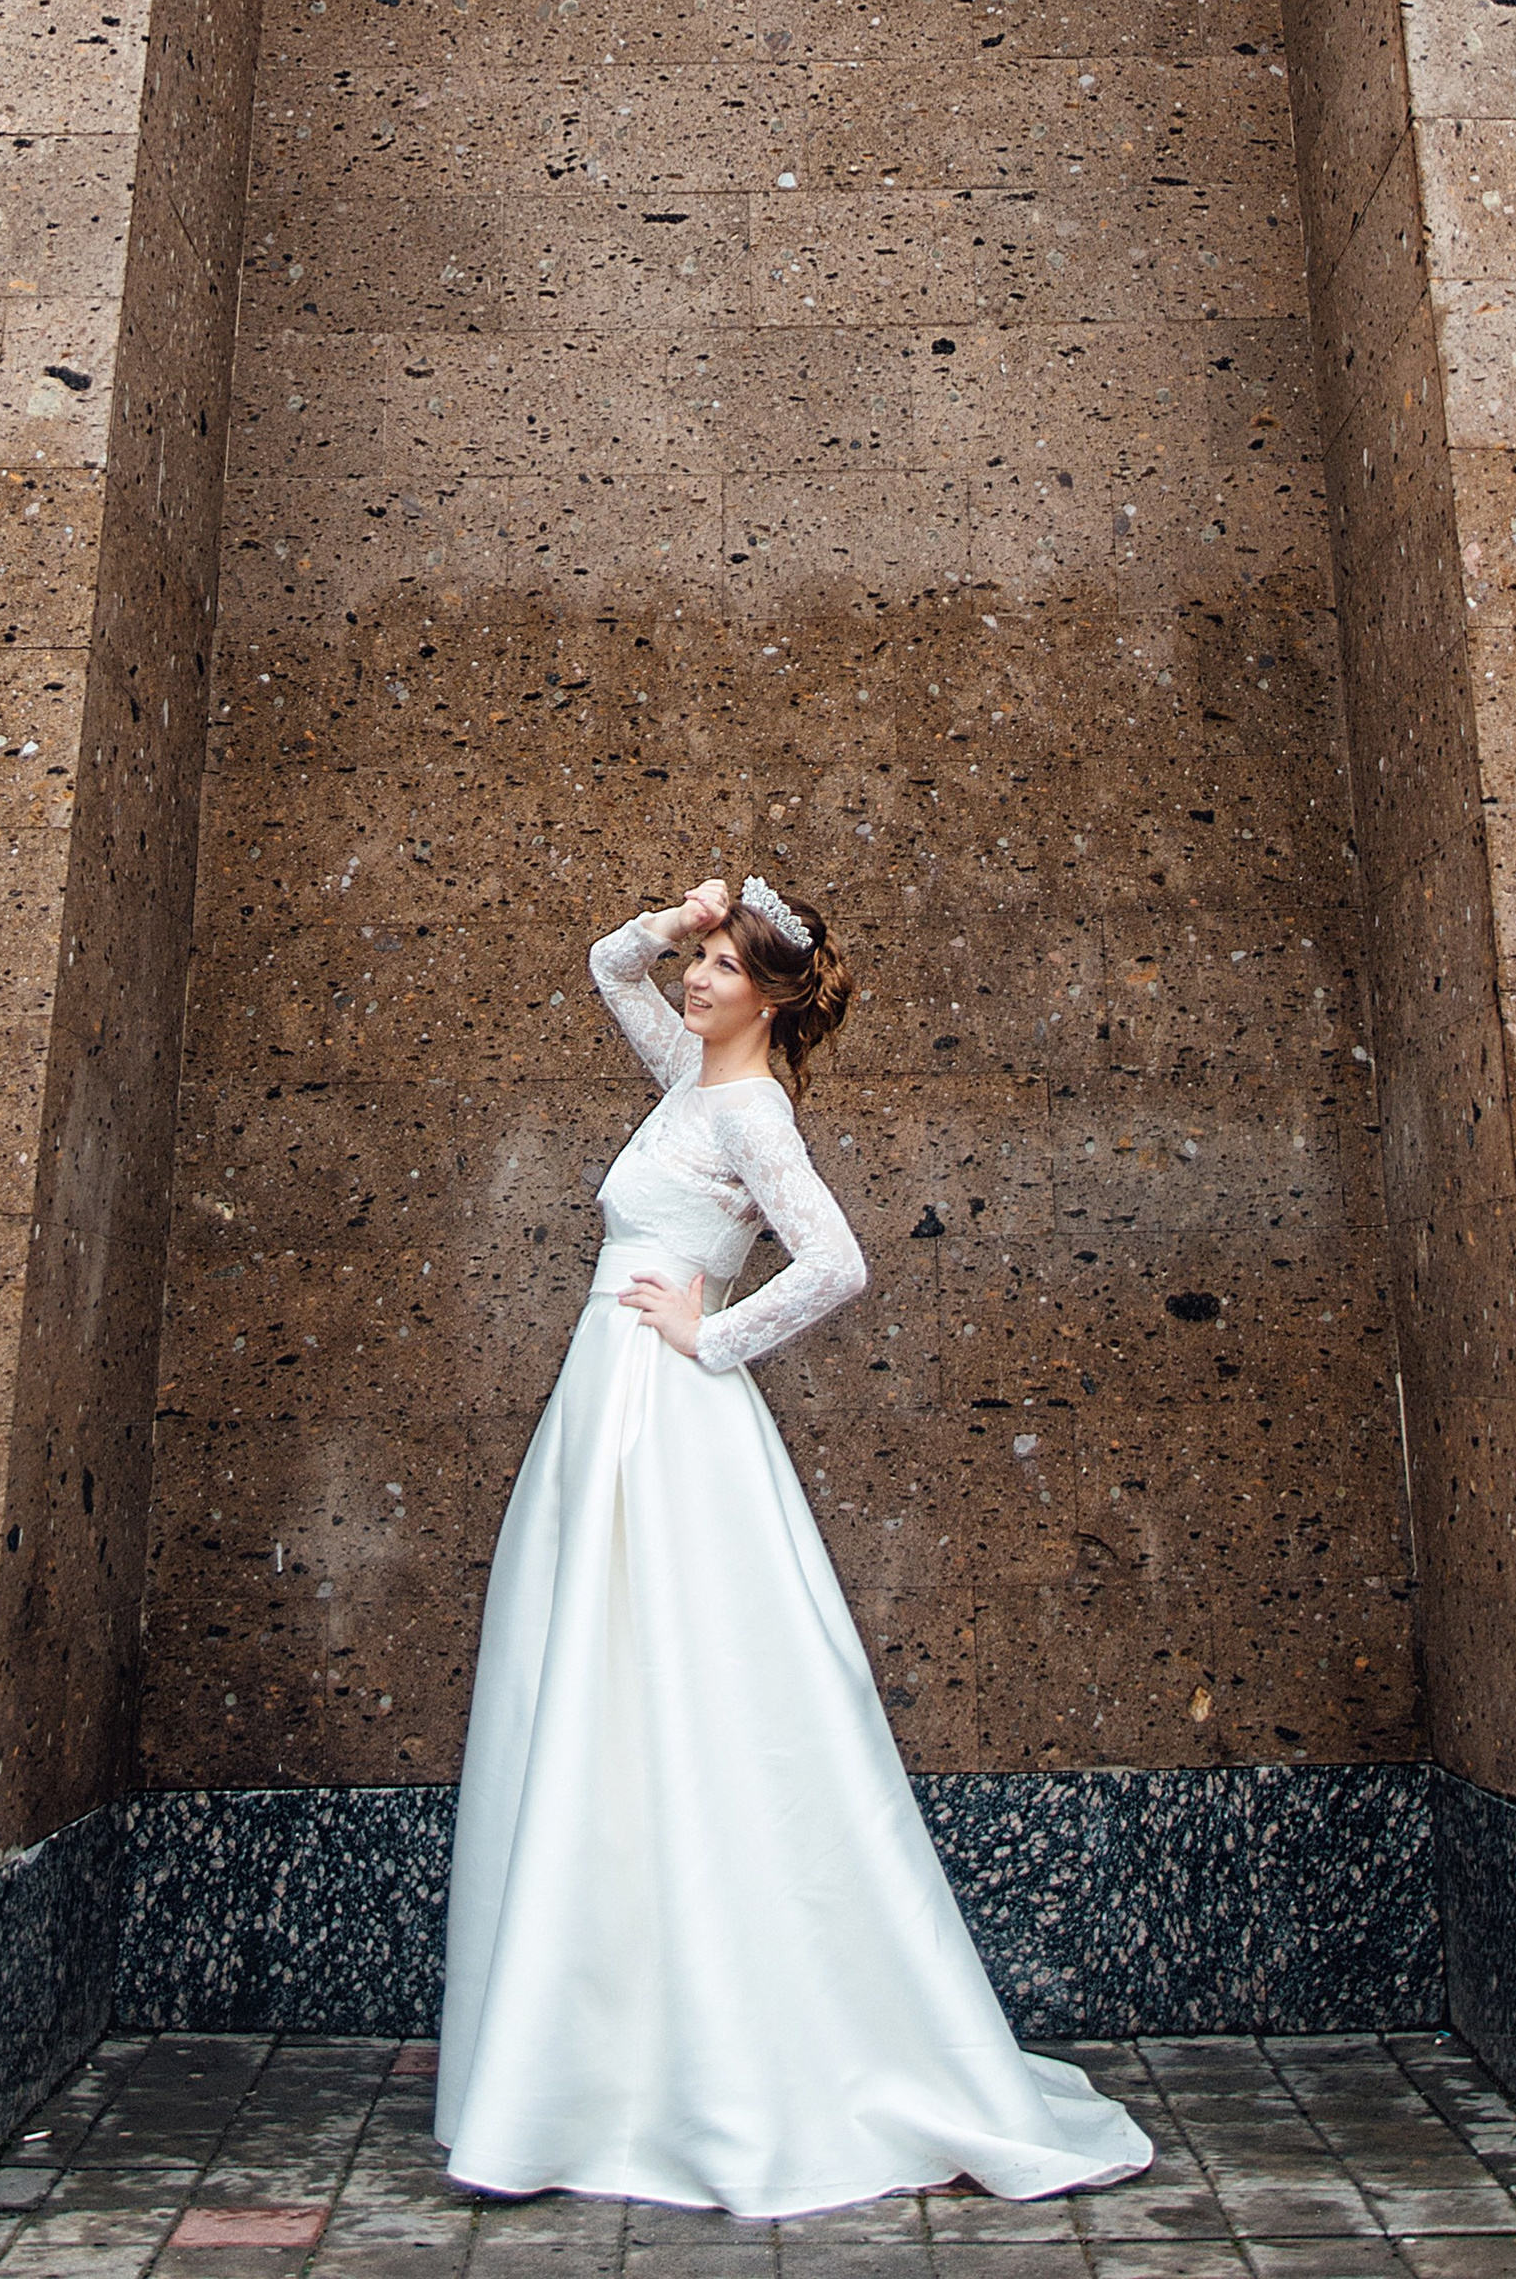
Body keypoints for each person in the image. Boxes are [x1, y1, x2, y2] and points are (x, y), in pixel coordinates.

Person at [432, 872, 1155, 2216]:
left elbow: (836, 1262)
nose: (695, 978)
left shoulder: (752, 1109)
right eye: (698, 959)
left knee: (685, 1685)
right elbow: (605, 969)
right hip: (607, 1402)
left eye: (719, 963)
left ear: (769, 993)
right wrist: (672, 914)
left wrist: (717, 1333)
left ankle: (697, 2063)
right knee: (596, 1685)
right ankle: (593, 2056)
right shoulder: (687, 1076)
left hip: (665, 1405)